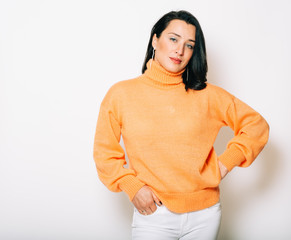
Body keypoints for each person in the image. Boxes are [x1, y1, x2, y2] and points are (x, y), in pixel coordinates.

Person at [93, 10, 269, 240]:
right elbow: (104, 152)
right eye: (173, 39)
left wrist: (224, 164)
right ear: (155, 39)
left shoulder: (208, 95)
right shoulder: (121, 94)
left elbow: (256, 125)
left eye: (189, 45)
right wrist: (131, 186)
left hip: (205, 215)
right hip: (153, 214)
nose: (180, 50)